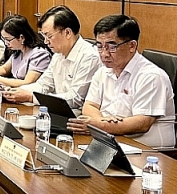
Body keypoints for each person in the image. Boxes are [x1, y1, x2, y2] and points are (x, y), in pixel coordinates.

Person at [67, 15, 175, 149]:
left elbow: (142, 123)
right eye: (100, 46)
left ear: (132, 46)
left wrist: (99, 125)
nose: (104, 54)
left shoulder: (151, 76)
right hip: (113, 139)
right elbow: (89, 106)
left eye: (111, 47)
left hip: (151, 151)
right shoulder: (103, 71)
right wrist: (102, 122)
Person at [3, 6, 101, 110]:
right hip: (56, 111)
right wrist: (15, 91)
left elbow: (75, 99)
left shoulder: (89, 57)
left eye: (49, 36)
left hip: (75, 116)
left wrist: (31, 97)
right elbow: (43, 85)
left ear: (67, 33)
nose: (45, 42)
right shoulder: (58, 55)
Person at [0, 15, 51, 88]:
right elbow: (5, 69)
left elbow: (27, 82)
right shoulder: (18, 51)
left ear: (21, 38)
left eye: (8, 39)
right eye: (3, 39)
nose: (6, 43)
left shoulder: (40, 54)